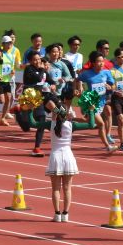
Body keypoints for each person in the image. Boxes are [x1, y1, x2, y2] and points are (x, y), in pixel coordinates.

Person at [27, 90, 96, 222]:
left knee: (55, 189)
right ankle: (66, 214)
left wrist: (30, 110)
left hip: (55, 157)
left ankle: (57, 214)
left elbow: (32, 123)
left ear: (55, 113)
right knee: (67, 188)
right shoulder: (71, 125)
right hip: (68, 157)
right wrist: (91, 111)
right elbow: (91, 125)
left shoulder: (50, 124)